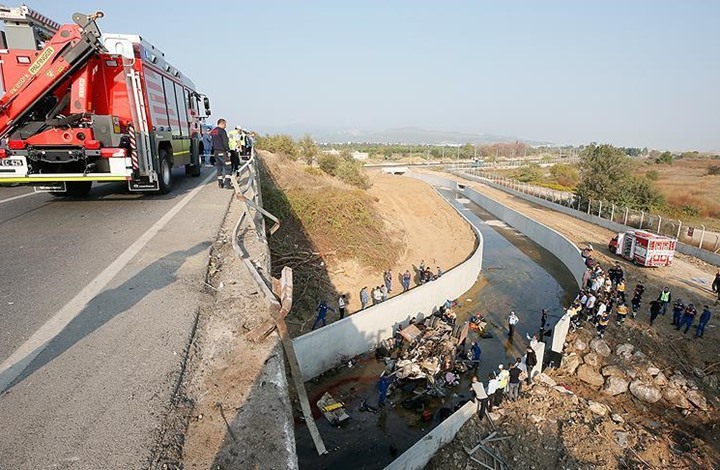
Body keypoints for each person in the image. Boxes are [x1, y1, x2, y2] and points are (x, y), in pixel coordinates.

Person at [210, 118, 232, 189]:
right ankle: (227, 184)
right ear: (222, 123)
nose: (225, 126)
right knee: (228, 167)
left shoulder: (213, 131)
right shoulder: (222, 131)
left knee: (219, 168)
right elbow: (225, 142)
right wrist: (228, 150)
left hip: (216, 152)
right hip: (222, 152)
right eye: (225, 124)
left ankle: (220, 183)